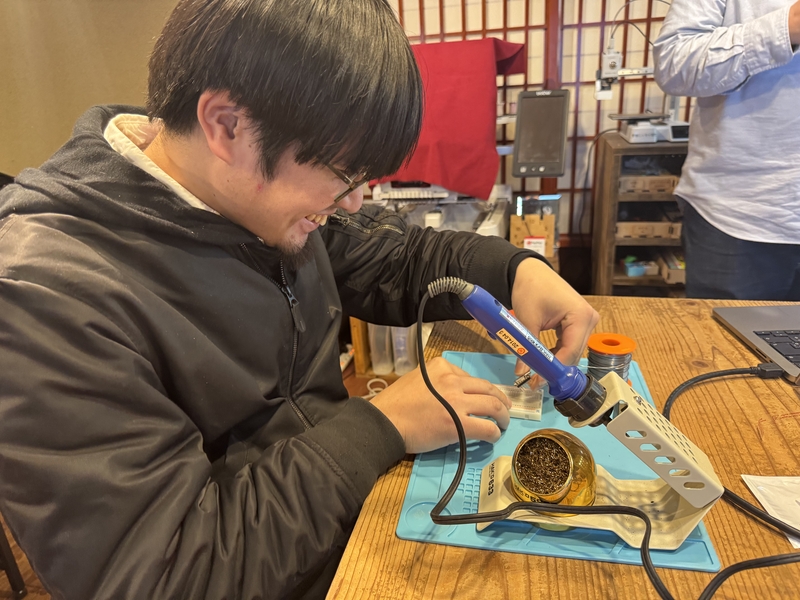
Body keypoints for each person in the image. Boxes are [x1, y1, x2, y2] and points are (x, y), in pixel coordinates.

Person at [0, 1, 599, 598]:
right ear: (227, 125)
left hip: (348, 521)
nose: (356, 201)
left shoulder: (234, 191)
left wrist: (515, 270)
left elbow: (394, 256)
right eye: (344, 173)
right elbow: (164, 577)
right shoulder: (43, 304)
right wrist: (379, 427)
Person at [653, 0, 800, 300]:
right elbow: (673, 65)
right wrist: (785, 27)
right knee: (723, 345)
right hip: (738, 214)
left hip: (744, 212)